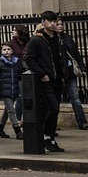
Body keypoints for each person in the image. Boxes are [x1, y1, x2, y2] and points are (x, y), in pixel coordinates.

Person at [23, 10, 66, 152]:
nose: (53, 24)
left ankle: (50, 138)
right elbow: (28, 59)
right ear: (43, 22)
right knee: (53, 108)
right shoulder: (36, 40)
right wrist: (41, 73)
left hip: (57, 79)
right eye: (50, 21)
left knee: (52, 110)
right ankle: (45, 135)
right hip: (45, 80)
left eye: (55, 21)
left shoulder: (57, 39)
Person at [56, 18, 88, 130]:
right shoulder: (52, 40)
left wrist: (82, 67)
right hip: (59, 74)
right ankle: (52, 123)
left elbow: (75, 54)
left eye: (61, 24)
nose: (60, 26)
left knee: (75, 97)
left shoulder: (67, 38)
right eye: (57, 24)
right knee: (56, 99)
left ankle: (82, 121)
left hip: (70, 72)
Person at [0, 43, 23, 139]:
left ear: (12, 51)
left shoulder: (17, 62)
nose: (6, 51)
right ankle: (17, 130)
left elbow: (19, 74)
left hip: (14, 88)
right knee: (11, 110)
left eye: (8, 49)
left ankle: (0, 129)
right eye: (4, 49)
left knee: (7, 110)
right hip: (4, 89)